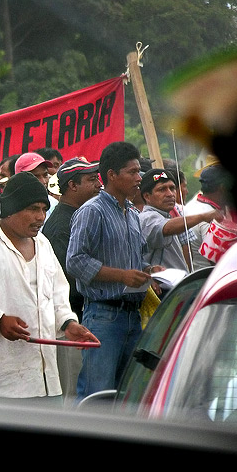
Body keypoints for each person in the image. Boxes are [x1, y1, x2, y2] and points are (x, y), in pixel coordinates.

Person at [0, 172, 98, 406]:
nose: (40, 217)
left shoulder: (43, 244)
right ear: (11, 209)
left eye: (43, 209)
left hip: (43, 380)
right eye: (33, 209)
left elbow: (58, 291)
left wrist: (68, 323)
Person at [66, 141, 164, 401]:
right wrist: (122, 276)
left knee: (127, 395)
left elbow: (135, 260)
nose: (138, 177)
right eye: (132, 172)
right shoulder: (91, 211)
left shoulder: (131, 213)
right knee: (97, 396)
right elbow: (75, 261)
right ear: (111, 175)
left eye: (138, 172)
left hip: (133, 316)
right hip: (104, 316)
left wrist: (149, 271)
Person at [41, 157, 101, 404]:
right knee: (71, 395)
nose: (99, 184)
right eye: (91, 180)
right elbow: (65, 281)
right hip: (69, 323)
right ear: (72, 186)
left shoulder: (79, 216)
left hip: (80, 321)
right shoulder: (59, 226)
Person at [139, 168, 222, 276]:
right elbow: (166, 228)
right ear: (147, 196)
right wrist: (203, 217)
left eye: (172, 188)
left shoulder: (167, 216)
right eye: (162, 189)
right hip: (162, 289)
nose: (170, 194)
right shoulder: (146, 218)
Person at [183, 164, 236, 271]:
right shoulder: (209, 216)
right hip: (209, 278)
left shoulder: (193, 205)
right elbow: (218, 261)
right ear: (223, 187)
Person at [14, 151, 59, 221]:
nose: (43, 181)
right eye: (35, 176)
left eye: (45, 175)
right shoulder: (8, 205)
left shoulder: (54, 204)